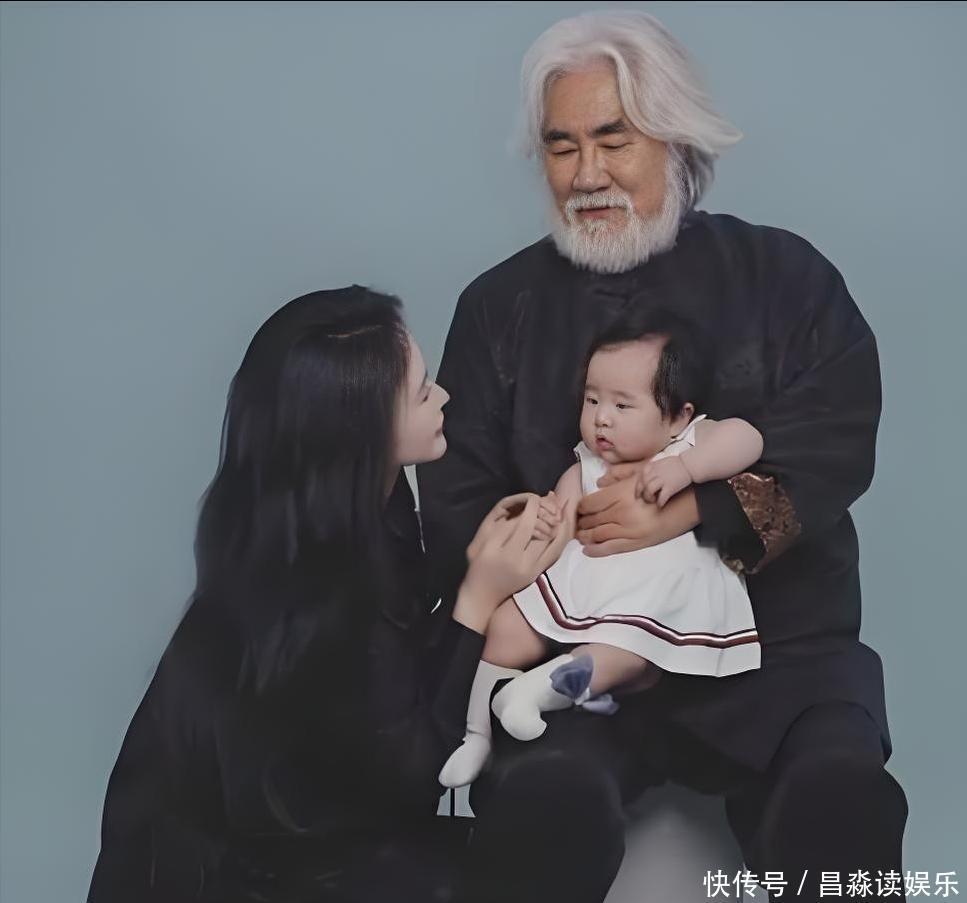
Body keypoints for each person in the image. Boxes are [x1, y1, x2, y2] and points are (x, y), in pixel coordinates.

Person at [417, 10, 908, 901]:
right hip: (576, 653)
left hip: (779, 650)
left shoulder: (783, 274)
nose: (587, 173)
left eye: (614, 140)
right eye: (562, 147)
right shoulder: (498, 306)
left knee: (838, 799)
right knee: (542, 802)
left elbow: (835, 436)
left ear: (674, 141)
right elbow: (459, 499)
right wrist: (565, 542)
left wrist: (688, 511)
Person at [87, 286, 569, 902]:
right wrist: (476, 598)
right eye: (422, 391)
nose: (444, 396)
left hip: (312, 835)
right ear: (362, 430)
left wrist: (482, 569)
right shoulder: (313, 587)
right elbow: (417, 772)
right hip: (236, 876)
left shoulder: (358, 507)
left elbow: (391, 685)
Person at [439, 307, 764, 789]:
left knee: (623, 654)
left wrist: (688, 469)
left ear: (679, 416)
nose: (601, 419)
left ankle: (534, 693)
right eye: (592, 400)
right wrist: (545, 520)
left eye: (622, 406)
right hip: (585, 581)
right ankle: (476, 735)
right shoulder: (585, 464)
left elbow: (748, 440)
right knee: (506, 625)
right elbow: (562, 516)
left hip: (652, 597)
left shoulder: (689, 443)